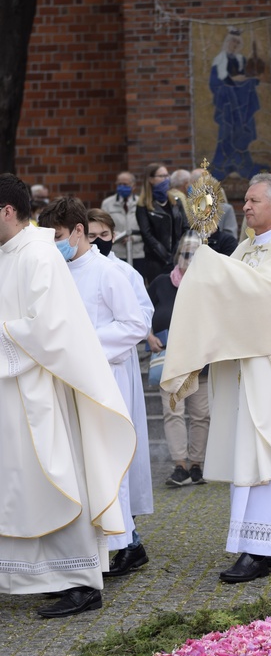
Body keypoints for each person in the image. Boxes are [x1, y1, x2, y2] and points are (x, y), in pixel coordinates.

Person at [161, 173, 271, 583]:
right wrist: (209, 269)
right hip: (254, 365)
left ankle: (261, 548)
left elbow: (267, 295)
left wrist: (211, 267)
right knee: (266, 449)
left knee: (268, 451)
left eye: (254, 201)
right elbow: (234, 295)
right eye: (244, 200)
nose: (246, 207)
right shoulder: (247, 246)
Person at [0, 174, 135, 618]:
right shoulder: (8, 254)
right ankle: (39, 576)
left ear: (6, 210)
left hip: (40, 392)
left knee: (58, 481)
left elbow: (50, 325)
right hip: (12, 390)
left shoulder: (39, 253)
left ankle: (81, 582)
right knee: (20, 488)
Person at [39, 197, 151, 578]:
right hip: (70, 377)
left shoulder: (108, 272)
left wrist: (87, 344)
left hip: (104, 376)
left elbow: (134, 325)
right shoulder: (60, 271)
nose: (55, 243)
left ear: (79, 231)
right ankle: (90, 548)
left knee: (105, 460)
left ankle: (120, 544)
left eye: (58, 236)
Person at [87, 208, 155, 521]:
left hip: (118, 363)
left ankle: (128, 527)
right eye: (91, 236)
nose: (99, 241)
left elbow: (141, 317)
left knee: (121, 441)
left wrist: (91, 342)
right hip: (85, 366)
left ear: (114, 236)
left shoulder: (125, 272)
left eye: (104, 235)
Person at [147, 234, 209, 487]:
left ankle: (196, 464)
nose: (190, 259)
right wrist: (148, 336)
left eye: (196, 255)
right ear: (177, 257)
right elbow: (141, 313)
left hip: (200, 360)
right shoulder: (162, 283)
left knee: (201, 414)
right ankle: (180, 465)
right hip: (169, 359)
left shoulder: (208, 285)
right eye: (186, 254)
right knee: (174, 412)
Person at [209, 27, 265, 181]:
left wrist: (250, 78)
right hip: (227, 104)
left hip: (242, 103)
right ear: (227, 42)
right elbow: (215, 82)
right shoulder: (220, 60)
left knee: (241, 133)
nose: (233, 45)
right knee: (227, 133)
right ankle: (222, 164)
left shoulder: (241, 59)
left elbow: (247, 75)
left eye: (236, 42)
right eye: (231, 41)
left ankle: (241, 163)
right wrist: (234, 81)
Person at [136, 162, 189, 284]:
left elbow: (185, 227)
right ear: (150, 179)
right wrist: (166, 256)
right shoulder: (143, 206)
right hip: (156, 261)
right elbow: (147, 234)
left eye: (167, 175)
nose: (166, 179)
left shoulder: (176, 202)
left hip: (178, 258)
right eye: (161, 176)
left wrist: (178, 252)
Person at [101, 171, 145, 274]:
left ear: (133, 186)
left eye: (125, 184)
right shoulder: (107, 203)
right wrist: (118, 236)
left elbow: (147, 228)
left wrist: (134, 238)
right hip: (117, 252)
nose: (121, 187)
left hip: (137, 253)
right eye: (119, 184)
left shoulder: (141, 203)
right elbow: (102, 225)